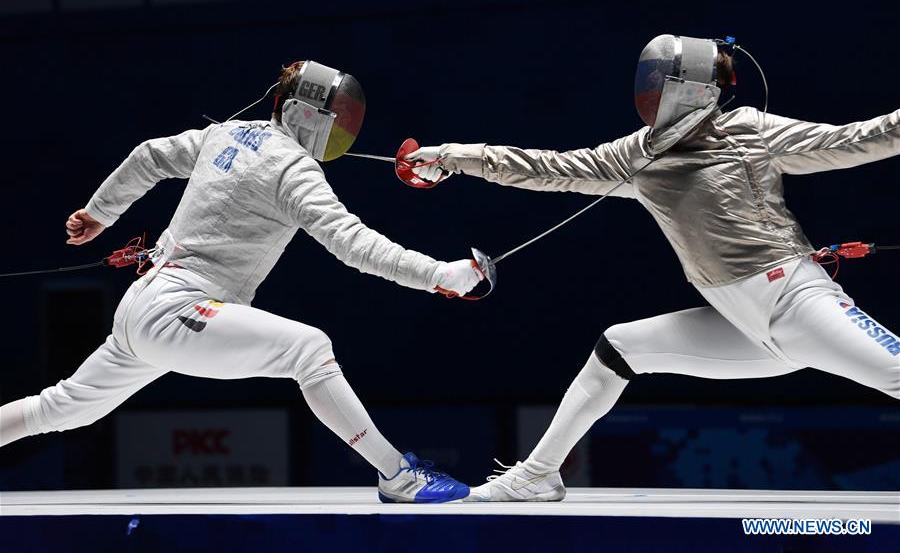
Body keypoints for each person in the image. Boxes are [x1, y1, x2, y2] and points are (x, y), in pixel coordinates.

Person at [407, 35, 900, 502]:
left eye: (658, 83)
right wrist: (452, 157)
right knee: (620, 347)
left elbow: (859, 138)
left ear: (694, 91)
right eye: (647, 82)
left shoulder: (749, 129)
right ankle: (537, 476)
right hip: (748, 329)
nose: (648, 94)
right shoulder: (638, 154)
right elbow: (547, 167)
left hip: (798, 303)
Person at [0, 60, 482, 504]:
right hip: (176, 310)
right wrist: (439, 274)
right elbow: (354, 244)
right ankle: (398, 477)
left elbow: (150, 155)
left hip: (143, 307)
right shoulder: (293, 169)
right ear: (303, 114)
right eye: (337, 118)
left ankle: (398, 477)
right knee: (308, 349)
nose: (343, 130)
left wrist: (100, 212)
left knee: (59, 408)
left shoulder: (226, 134)